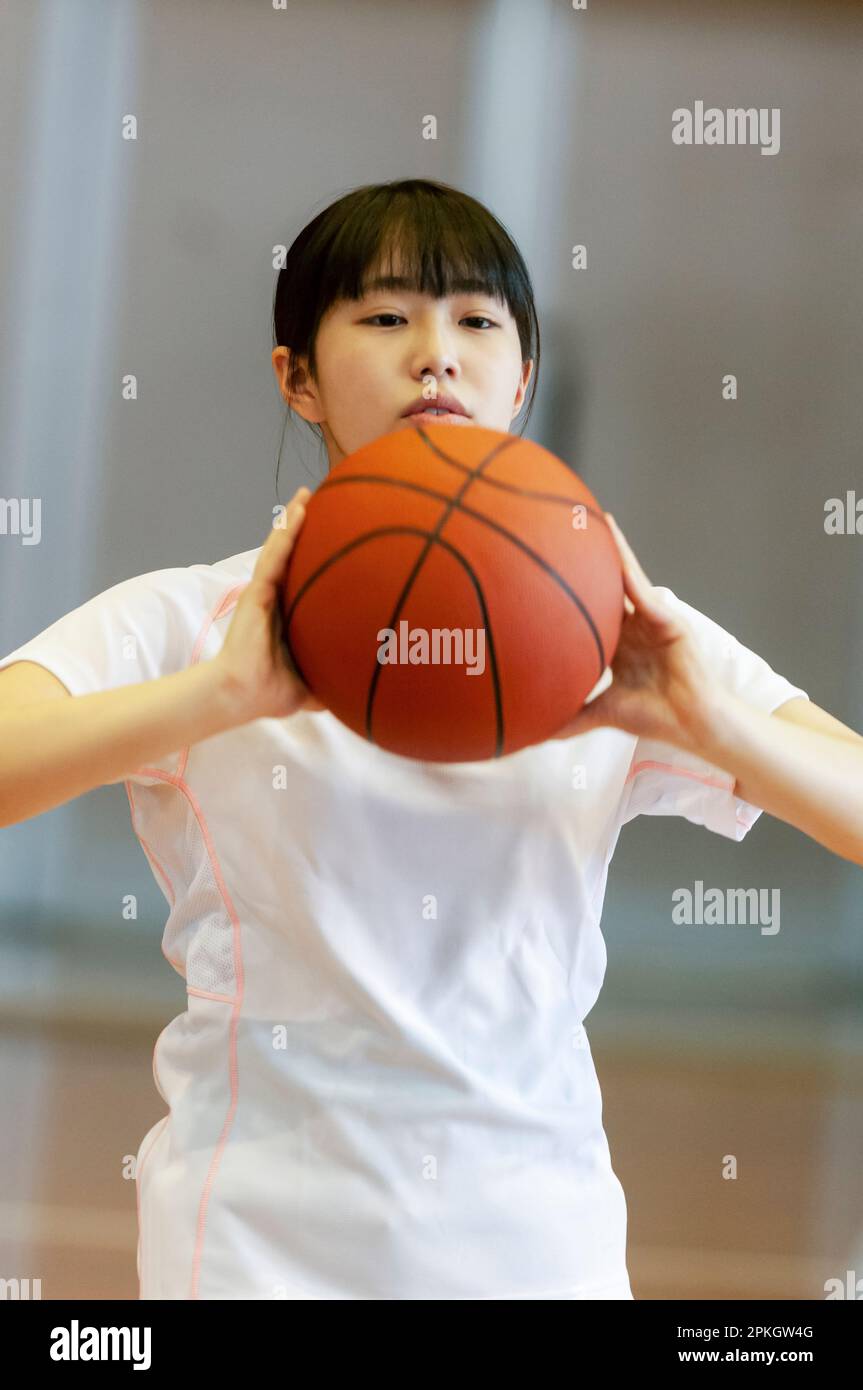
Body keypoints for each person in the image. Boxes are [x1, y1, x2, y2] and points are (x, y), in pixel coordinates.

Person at [1, 178, 861, 1301]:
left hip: (534, 1249)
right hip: (255, 1254)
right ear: (294, 376)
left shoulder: (614, 628)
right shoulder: (194, 621)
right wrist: (217, 697)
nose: (435, 356)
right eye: (384, 316)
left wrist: (707, 721)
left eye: (475, 322)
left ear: (521, 381)